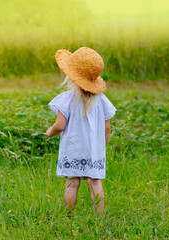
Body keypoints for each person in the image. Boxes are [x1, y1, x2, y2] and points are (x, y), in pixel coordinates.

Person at [44, 47, 116, 217]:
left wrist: (50, 132)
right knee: (95, 182)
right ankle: (98, 219)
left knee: (72, 183)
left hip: (72, 149)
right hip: (94, 151)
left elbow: (60, 125)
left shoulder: (66, 99)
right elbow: (107, 128)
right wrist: (102, 148)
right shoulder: (102, 101)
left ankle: (68, 217)